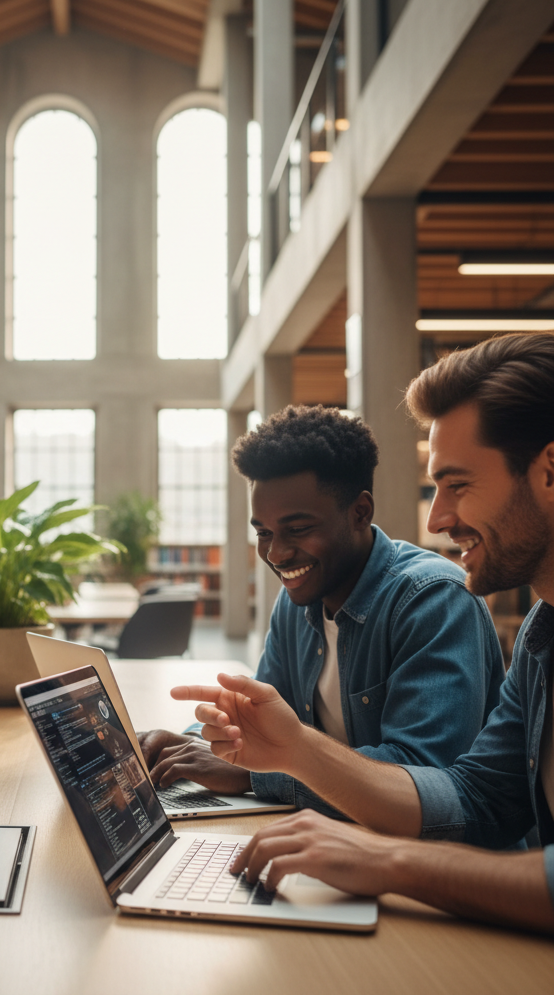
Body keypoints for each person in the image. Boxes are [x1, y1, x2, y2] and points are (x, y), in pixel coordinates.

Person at [185, 332, 554, 932]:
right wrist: (290, 752)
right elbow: (479, 799)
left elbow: (437, 780)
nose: (436, 518)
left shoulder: (428, 595)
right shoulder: (544, 629)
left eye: (457, 485)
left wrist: (393, 860)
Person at [140, 405, 505, 818]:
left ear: (360, 512)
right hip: (343, 836)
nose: (276, 553)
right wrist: (190, 744)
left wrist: (252, 775)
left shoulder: (433, 598)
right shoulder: (297, 601)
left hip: (442, 865)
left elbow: (421, 773)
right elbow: (260, 730)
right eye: (263, 532)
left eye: (297, 530)